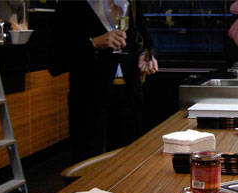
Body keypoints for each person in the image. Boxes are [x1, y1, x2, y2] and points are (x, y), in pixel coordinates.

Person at [48, 0, 158, 164]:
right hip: (89, 99)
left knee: (126, 162)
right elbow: (55, 60)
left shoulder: (131, 3)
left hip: (128, 96)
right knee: (88, 163)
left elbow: (145, 40)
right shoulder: (72, 5)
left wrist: (147, 56)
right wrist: (94, 43)